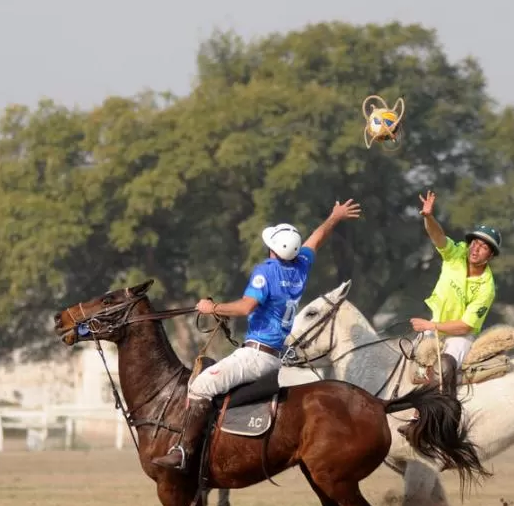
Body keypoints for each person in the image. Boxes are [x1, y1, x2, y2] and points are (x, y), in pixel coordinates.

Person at [152, 199, 362, 471]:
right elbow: (316, 239)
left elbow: (245, 306)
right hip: (275, 358)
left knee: (200, 386)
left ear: (272, 250)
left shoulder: (266, 272)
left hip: (256, 355)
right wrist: (334, 217)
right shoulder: (301, 266)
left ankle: (184, 451)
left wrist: (211, 307)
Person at [409, 190, 501, 399]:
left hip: (459, 336)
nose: (475, 249)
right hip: (435, 325)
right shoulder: (456, 254)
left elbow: (465, 326)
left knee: (446, 367)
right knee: (414, 366)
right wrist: (428, 217)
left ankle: (445, 412)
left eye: (484, 247)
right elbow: (438, 236)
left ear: (491, 255)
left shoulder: (487, 287)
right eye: (475, 243)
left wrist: (430, 326)